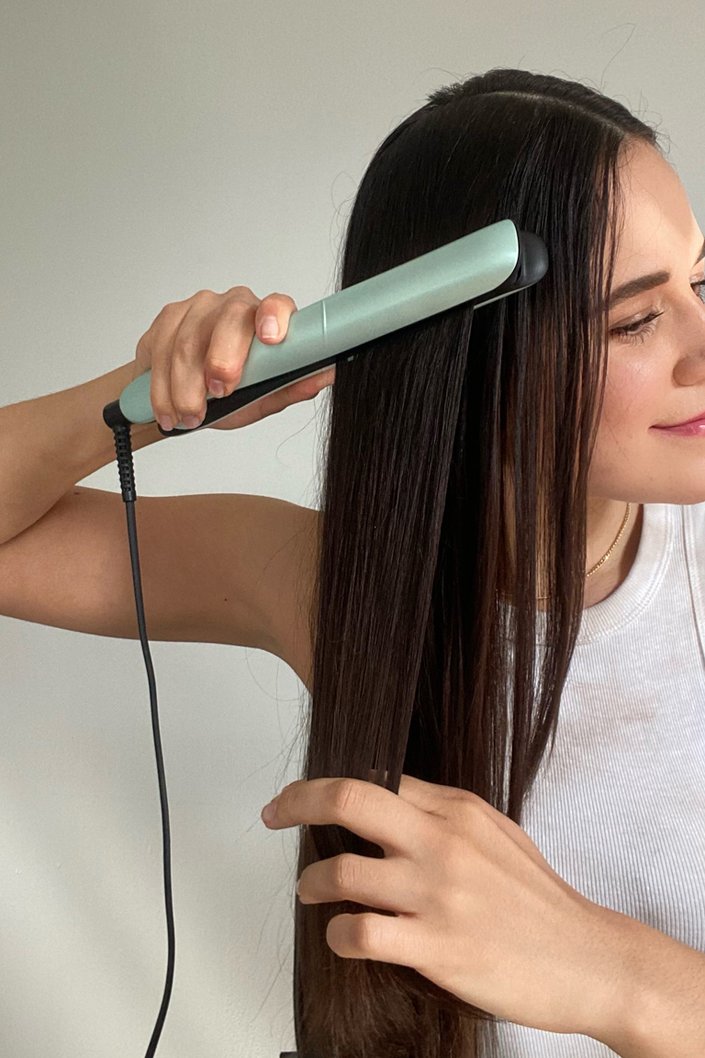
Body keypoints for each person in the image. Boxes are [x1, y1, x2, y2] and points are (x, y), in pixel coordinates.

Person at [2, 68, 704, 1058]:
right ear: (474, 347)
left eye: (701, 282)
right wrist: (147, 394)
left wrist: (610, 969)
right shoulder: (347, 588)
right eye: (638, 318)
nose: (703, 344)